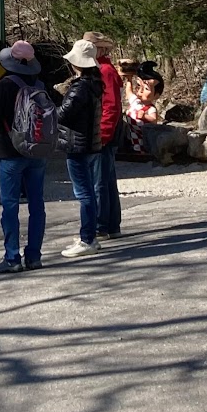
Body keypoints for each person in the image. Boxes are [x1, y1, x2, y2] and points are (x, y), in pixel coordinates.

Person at [0, 39, 49, 273]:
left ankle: (12, 257)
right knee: (37, 204)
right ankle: (34, 255)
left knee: (10, 205)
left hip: (10, 151)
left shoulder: (4, 86)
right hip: (37, 150)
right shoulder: (41, 84)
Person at [55, 38, 104, 258]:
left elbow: (63, 115)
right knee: (90, 192)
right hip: (90, 144)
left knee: (83, 194)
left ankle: (87, 239)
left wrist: (55, 103)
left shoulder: (80, 88)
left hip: (78, 145)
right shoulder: (95, 84)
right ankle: (90, 234)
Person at [84, 30, 125, 240]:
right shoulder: (105, 69)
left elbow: (110, 106)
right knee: (106, 180)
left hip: (104, 133)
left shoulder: (104, 71)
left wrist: (102, 133)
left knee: (99, 181)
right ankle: (111, 224)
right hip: (108, 131)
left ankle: (102, 225)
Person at [124, 61, 165, 157]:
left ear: (156, 95)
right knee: (132, 139)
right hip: (132, 131)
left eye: (146, 88)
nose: (140, 90)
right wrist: (129, 80)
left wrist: (145, 116)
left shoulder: (150, 108)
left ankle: (143, 152)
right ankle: (133, 149)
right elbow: (129, 93)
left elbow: (154, 120)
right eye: (139, 86)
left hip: (143, 134)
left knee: (142, 142)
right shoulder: (135, 101)